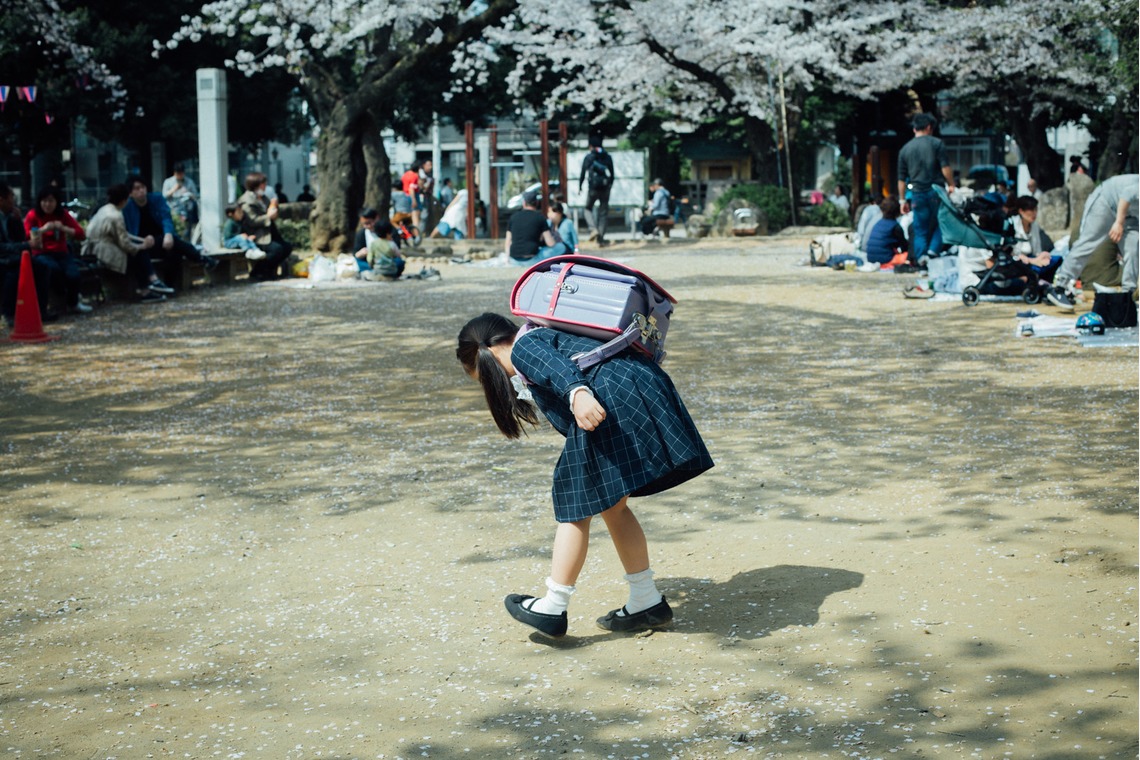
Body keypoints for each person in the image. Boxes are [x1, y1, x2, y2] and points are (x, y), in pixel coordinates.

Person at [456, 313, 714, 637]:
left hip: (606, 398)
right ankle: (646, 600)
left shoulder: (524, 346)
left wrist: (577, 393)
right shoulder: (542, 335)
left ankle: (553, 604)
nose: (491, 383)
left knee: (574, 501)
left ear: (487, 354)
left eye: (482, 376)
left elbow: (559, 370)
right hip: (633, 388)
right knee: (612, 506)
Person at [1045, 174, 1139, 311]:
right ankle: (1059, 287)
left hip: (1131, 215)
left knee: (1134, 247)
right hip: (1107, 201)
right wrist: (1118, 222)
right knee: (1088, 243)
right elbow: (1127, 195)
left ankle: (1128, 296)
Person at [123, 175, 217, 291]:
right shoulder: (127, 207)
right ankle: (201, 259)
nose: (141, 191)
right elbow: (128, 232)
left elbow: (166, 217)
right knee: (169, 247)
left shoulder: (156, 199)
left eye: (142, 187)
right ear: (130, 193)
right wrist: (143, 241)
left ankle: (170, 286)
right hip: (142, 245)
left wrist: (168, 234)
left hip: (161, 241)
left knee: (174, 251)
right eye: (136, 188)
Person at [84, 184, 171, 303]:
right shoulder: (116, 215)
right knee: (139, 254)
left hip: (94, 249)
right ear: (124, 200)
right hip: (104, 251)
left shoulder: (105, 209)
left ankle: (151, 283)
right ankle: (146, 288)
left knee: (139, 251)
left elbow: (123, 235)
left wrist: (140, 241)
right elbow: (126, 244)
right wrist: (142, 245)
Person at [897, 113, 955, 265]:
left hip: (917, 193)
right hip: (936, 191)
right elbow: (945, 168)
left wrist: (902, 200)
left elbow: (901, 179)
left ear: (914, 128)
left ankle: (921, 258)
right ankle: (933, 251)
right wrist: (951, 184)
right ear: (929, 127)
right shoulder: (937, 144)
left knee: (920, 227)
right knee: (942, 222)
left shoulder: (905, 149)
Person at [23, 186, 89, 314]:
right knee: (52, 269)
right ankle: (61, 297)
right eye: (44, 201)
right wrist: (43, 230)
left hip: (61, 252)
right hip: (41, 253)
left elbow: (81, 234)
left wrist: (63, 228)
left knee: (73, 274)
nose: (47, 204)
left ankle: (73, 303)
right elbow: (26, 236)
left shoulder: (62, 214)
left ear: (56, 202)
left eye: (51, 201)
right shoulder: (33, 215)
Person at [1, 183, 53, 325]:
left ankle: (40, 310)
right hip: (4, 260)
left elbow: (20, 238)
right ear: (2, 199)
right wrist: (26, 245)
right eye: (11, 196)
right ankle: (8, 313)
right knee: (14, 272)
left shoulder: (10, 216)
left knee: (42, 268)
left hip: (12, 257)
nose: (14, 200)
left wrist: (17, 221)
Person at [237, 171, 294, 281]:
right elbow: (252, 221)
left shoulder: (264, 198)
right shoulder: (246, 201)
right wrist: (268, 217)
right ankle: (257, 272)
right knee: (276, 250)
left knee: (286, 247)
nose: (264, 187)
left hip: (270, 231)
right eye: (263, 184)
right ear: (256, 185)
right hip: (257, 235)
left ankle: (268, 271)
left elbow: (271, 211)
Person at [1005, 195, 1061, 285]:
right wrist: (1032, 260)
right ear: (1021, 211)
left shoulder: (1035, 225)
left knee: (1056, 259)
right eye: (1031, 210)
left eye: (1035, 210)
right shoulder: (1013, 225)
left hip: (1031, 258)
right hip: (1018, 261)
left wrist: (1041, 256)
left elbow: (1037, 248)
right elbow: (1012, 252)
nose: (1034, 213)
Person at [579, 135, 614, 246]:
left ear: (590, 145)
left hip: (593, 188)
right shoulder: (607, 156)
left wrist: (580, 186)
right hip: (605, 188)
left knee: (587, 208)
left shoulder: (589, 157)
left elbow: (583, 173)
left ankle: (593, 229)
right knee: (603, 212)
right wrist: (609, 185)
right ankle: (601, 239)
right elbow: (612, 174)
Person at [506, 190, 556, 265]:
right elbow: (550, 243)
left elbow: (508, 241)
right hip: (532, 259)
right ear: (537, 203)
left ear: (524, 203)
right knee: (560, 247)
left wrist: (507, 259)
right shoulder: (540, 218)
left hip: (514, 260)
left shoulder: (513, 217)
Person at [863, 196, 909, 266]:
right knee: (908, 255)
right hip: (885, 259)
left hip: (870, 258)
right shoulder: (895, 226)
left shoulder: (878, 223)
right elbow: (904, 246)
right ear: (897, 211)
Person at [161, 163, 199, 231]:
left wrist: (188, 193)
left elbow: (195, 196)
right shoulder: (168, 182)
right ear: (175, 173)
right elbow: (164, 196)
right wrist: (173, 189)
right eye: (178, 174)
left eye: (181, 174)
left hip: (187, 211)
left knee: (186, 232)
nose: (180, 176)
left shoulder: (189, 182)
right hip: (173, 211)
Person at [351, 207, 381, 272]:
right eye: (364, 224)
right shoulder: (361, 234)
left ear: (376, 218)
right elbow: (355, 253)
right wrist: (360, 253)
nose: (367, 226)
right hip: (368, 262)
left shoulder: (386, 230)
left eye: (369, 223)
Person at [401, 161, 423, 229]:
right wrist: (414, 200)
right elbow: (411, 188)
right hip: (413, 196)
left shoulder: (405, 174)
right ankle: (416, 232)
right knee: (415, 215)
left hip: (405, 195)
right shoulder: (414, 176)